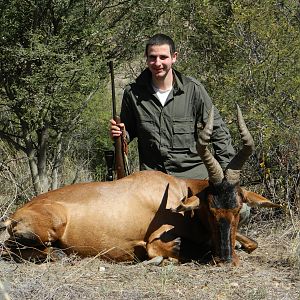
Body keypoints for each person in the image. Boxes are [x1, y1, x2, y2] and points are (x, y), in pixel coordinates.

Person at [109, 33, 235, 179]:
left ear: (174, 57)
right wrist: (120, 134)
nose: (157, 63)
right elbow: (128, 131)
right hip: (153, 180)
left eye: (163, 57)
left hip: (192, 178)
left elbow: (218, 132)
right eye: (152, 57)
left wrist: (227, 176)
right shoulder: (133, 93)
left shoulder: (193, 89)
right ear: (146, 58)